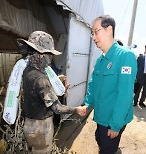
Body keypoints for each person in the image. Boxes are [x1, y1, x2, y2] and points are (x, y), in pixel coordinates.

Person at [17, 31, 87, 154]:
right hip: (41, 129)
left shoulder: (28, 70)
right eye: (50, 55)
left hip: (29, 125)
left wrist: (58, 85)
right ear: (41, 55)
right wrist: (77, 110)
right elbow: (58, 109)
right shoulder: (41, 79)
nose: (51, 59)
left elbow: (38, 94)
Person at [83, 15, 137, 154]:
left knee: (106, 149)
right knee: (99, 138)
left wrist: (115, 125)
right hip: (101, 115)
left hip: (113, 119)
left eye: (96, 31)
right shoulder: (101, 59)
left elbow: (125, 94)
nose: (94, 37)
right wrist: (87, 103)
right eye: (92, 33)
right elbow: (93, 84)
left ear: (109, 29)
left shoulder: (125, 56)